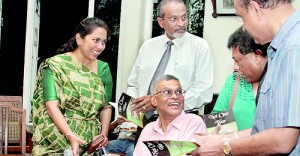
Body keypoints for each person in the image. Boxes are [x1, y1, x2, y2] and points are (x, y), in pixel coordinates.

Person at [191, 0, 300, 155]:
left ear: (255, 8)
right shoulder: (282, 47)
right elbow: (265, 130)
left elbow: (283, 139)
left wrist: (224, 147)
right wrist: (222, 140)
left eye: (241, 16)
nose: (244, 27)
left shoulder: (293, 47)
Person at [126, 0, 213, 144]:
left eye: (184, 17)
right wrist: (132, 108)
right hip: (144, 123)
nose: (181, 23)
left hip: (180, 124)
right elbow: (133, 84)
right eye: (174, 19)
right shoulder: (148, 46)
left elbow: (203, 90)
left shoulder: (199, 46)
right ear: (161, 21)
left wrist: (160, 102)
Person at [31, 17, 113, 155]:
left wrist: (103, 136)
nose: (100, 46)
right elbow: (51, 106)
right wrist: (70, 135)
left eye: (103, 42)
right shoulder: (55, 65)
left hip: (89, 143)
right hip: (57, 140)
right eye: (95, 40)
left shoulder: (103, 69)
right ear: (79, 39)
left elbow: (106, 107)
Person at [211, 26, 269, 131]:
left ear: (258, 56)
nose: (235, 67)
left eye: (238, 60)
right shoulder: (233, 81)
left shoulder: (277, 84)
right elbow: (215, 123)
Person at [133, 74, 207, 155]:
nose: (175, 96)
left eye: (179, 92)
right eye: (167, 92)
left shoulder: (193, 123)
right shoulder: (148, 129)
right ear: (154, 101)